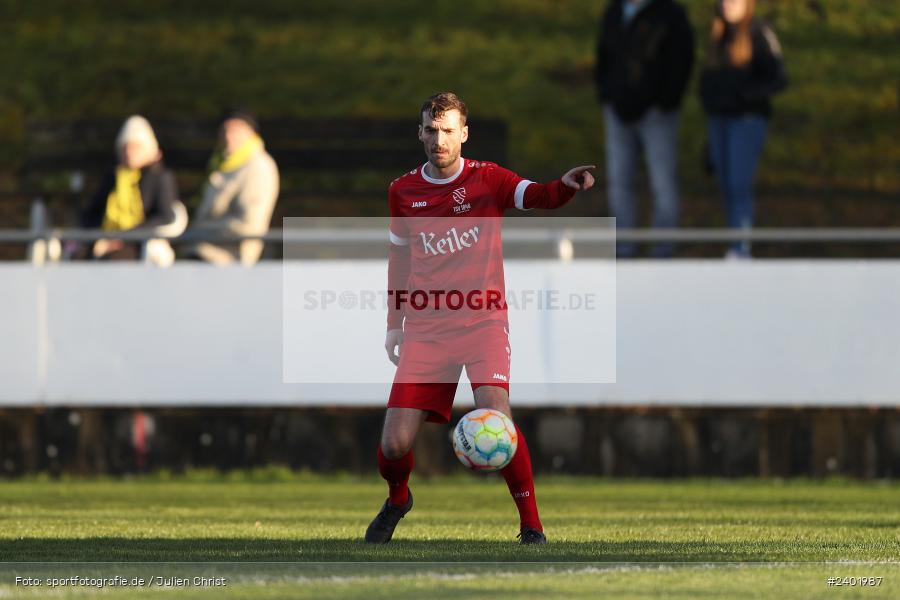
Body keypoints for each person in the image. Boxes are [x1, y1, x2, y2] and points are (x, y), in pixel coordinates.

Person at [365, 92, 595, 546]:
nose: (439, 139)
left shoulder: (489, 179)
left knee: (497, 417)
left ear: (464, 134)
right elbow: (399, 260)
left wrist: (565, 184)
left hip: (482, 323)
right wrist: (395, 323)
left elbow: (541, 196)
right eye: (431, 130)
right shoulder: (403, 191)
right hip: (427, 330)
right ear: (420, 133)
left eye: (448, 130)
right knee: (393, 445)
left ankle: (531, 525)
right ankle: (397, 500)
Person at [595, 0, 694, 257]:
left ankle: (664, 250)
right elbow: (604, 58)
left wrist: (665, 101)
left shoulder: (670, 14)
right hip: (617, 112)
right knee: (620, 182)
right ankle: (624, 248)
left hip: (657, 114)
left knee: (662, 183)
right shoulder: (615, 11)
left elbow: (682, 60)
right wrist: (607, 96)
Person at [700, 0, 787, 258]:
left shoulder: (759, 32)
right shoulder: (719, 35)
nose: (727, 4)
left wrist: (746, 96)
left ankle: (741, 247)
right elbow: (709, 80)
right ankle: (734, 243)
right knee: (726, 183)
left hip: (746, 120)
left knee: (739, 184)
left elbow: (778, 77)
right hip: (719, 120)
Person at [185, 110, 279, 265]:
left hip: (228, 258)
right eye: (225, 130)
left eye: (236, 129)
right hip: (204, 252)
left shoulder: (257, 166)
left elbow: (247, 223)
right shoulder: (223, 164)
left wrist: (198, 231)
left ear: (251, 132)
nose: (228, 136)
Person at [79, 115, 178, 260]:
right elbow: (91, 213)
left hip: (140, 244)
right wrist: (97, 237)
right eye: (125, 147)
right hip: (105, 240)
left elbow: (165, 216)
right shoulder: (112, 178)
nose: (129, 152)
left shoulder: (159, 177)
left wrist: (124, 237)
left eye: (135, 147)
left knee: (114, 261)